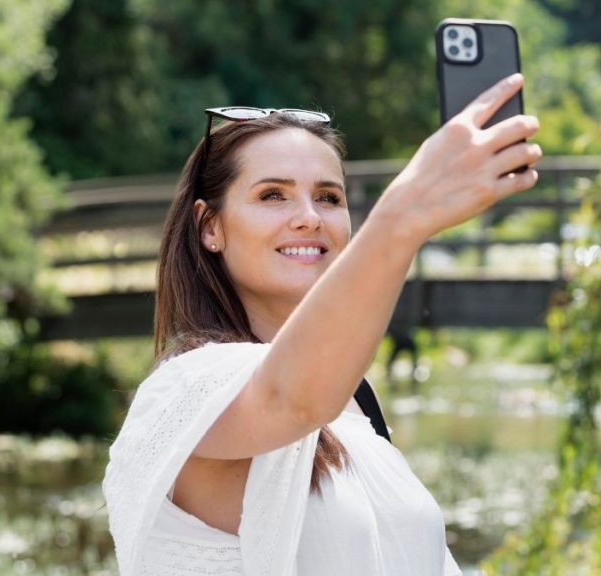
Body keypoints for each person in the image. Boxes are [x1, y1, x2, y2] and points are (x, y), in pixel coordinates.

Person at [103, 73, 542, 575]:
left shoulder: (354, 402)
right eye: (273, 195)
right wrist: (404, 216)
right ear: (210, 227)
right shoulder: (184, 390)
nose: (310, 217)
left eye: (330, 198)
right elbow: (291, 400)